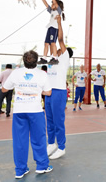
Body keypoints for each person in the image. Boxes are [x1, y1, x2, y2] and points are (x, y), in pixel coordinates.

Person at [2, 50, 53, 178]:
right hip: (35, 111)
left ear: (24, 61)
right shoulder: (42, 74)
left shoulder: (16, 73)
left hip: (20, 111)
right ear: (37, 61)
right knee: (39, 139)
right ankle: (42, 166)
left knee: (20, 141)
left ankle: (20, 170)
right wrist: (35, 90)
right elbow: (48, 92)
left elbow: (3, 89)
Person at [45, 15, 73, 160]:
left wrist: (60, 23)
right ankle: (51, 144)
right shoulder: (53, 58)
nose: (59, 48)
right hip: (49, 92)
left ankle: (61, 147)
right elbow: (51, 40)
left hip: (59, 92)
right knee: (49, 120)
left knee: (58, 121)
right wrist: (52, 25)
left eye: (61, 48)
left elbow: (60, 40)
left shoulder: (64, 57)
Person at [37, 0, 65, 65]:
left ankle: (55, 58)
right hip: (50, 27)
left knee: (53, 43)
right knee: (46, 43)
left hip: (54, 28)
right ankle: (44, 58)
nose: (52, 5)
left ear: (57, 6)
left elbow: (55, 2)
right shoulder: (52, 11)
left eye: (53, 4)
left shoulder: (58, 11)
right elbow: (45, 3)